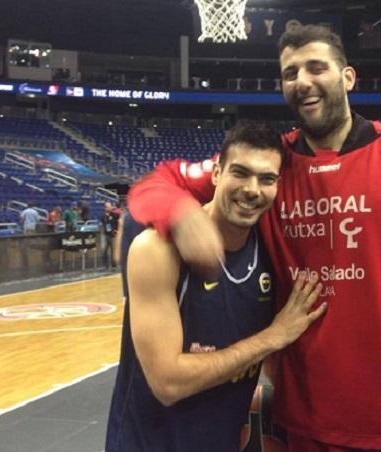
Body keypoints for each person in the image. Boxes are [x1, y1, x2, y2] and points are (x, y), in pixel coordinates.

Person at [128, 25, 381, 452]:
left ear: (347, 77)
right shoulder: (271, 166)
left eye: (316, 67)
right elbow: (154, 184)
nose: (302, 81)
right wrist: (178, 212)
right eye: (290, 73)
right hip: (302, 425)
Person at [106, 121, 327, 451]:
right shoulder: (157, 250)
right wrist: (274, 337)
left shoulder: (270, 251)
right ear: (216, 174)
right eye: (240, 173)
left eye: (266, 179)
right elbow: (168, 383)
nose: (252, 189)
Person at [101, 201, 122, 268]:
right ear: (105, 208)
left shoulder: (114, 215)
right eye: (108, 207)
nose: (110, 208)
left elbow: (118, 221)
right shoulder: (103, 216)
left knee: (114, 251)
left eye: (110, 206)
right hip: (105, 235)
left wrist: (117, 230)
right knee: (104, 250)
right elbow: (103, 224)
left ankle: (114, 265)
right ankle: (106, 265)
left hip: (113, 235)